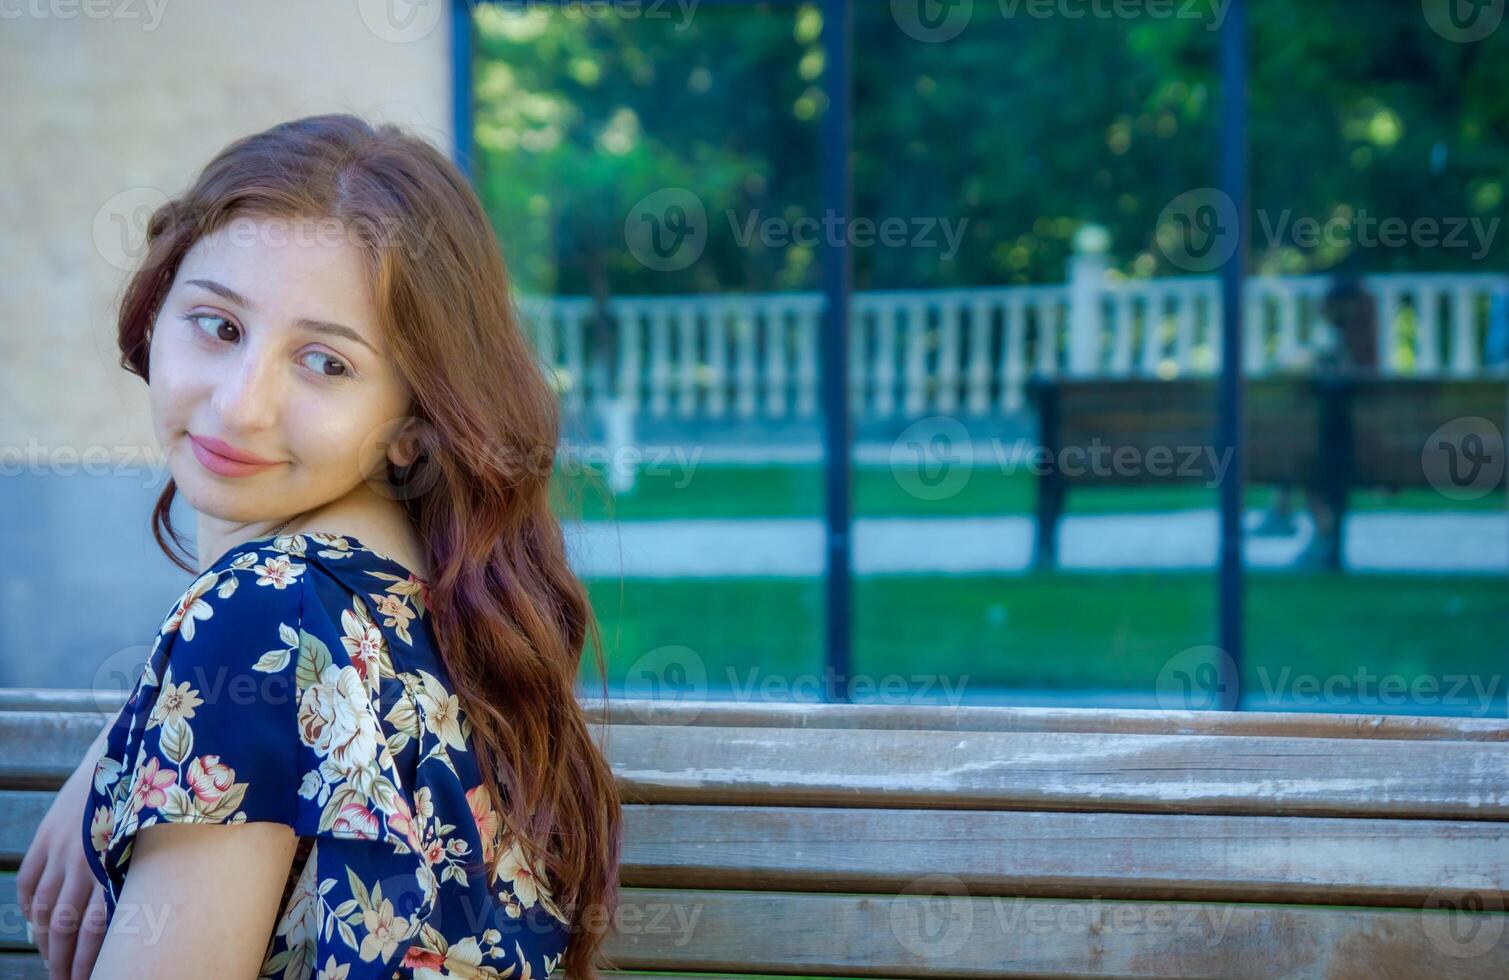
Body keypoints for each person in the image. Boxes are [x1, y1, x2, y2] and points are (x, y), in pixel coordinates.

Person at [17, 113, 622, 979]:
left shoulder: (266, 610)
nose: (240, 405)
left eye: (325, 364)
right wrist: (130, 731)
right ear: (158, 307)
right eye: (218, 327)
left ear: (416, 425)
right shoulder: (430, 591)